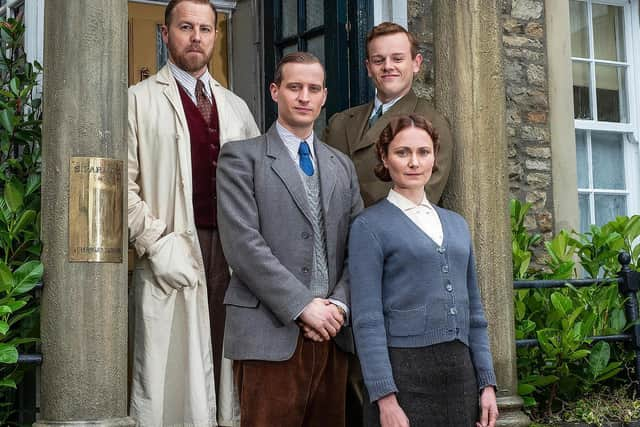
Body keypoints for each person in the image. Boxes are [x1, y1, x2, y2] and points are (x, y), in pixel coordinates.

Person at [127, 0, 260, 425]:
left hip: (231, 251)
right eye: (186, 27)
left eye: (205, 28)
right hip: (174, 248)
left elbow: (261, 186)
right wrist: (154, 242)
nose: (196, 37)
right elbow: (120, 187)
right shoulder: (137, 101)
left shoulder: (236, 107)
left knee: (225, 363)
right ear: (166, 34)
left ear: (216, 37)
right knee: (174, 376)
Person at [216, 52, 363, 427]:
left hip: (332, 334)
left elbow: (359, 246)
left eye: (313, 89)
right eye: (294, 87)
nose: (304, 96)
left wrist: (339, 307)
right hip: (268, 335)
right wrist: (302, 306)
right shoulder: (240, 159)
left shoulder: (341, 165)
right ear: (274, 91)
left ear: (324, 96)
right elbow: (243, 246)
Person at [349, 114, 499, 427]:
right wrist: (384, 398)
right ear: (385, 157)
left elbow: (475, 314)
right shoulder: (368, 226)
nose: (414, 162)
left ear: (434, 157)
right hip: (404, 375)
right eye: (403, 152)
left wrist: (486, 384)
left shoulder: (457, 224)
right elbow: (367, 319)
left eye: (423, 152)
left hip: (460, 377)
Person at [324, 22, 453, 207]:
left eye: (397, 59)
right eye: (378, 60)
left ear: (416, 63)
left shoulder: (432, 123)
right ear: (368, 68)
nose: (387, 66)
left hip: (390, 234)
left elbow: (421, 201)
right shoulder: (339, 123)